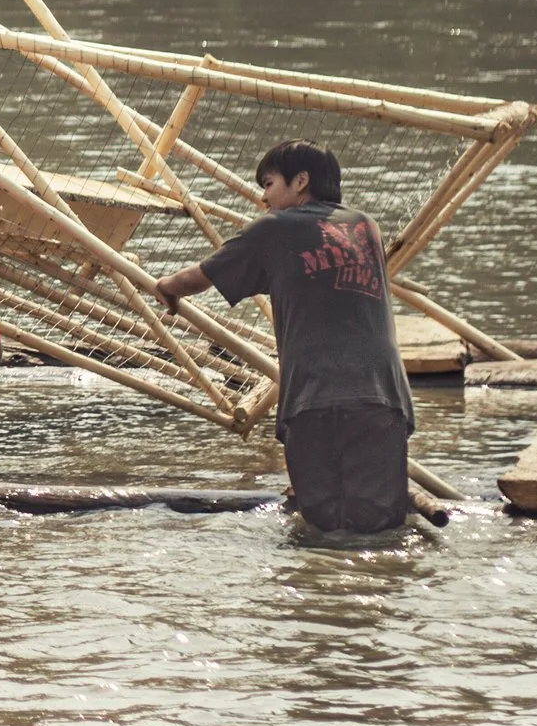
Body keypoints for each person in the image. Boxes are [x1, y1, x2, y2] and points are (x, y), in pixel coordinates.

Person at [155, 139, 416, 535]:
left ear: (301, 181)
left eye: (269, 183)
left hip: (315, 395)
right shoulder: (366, 227)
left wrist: (165, 286)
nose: (263, 196)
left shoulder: (275, 228)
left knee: (323, 527)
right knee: (381, 525)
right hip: (384, 397)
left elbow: (199, 277)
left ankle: (317, 590)